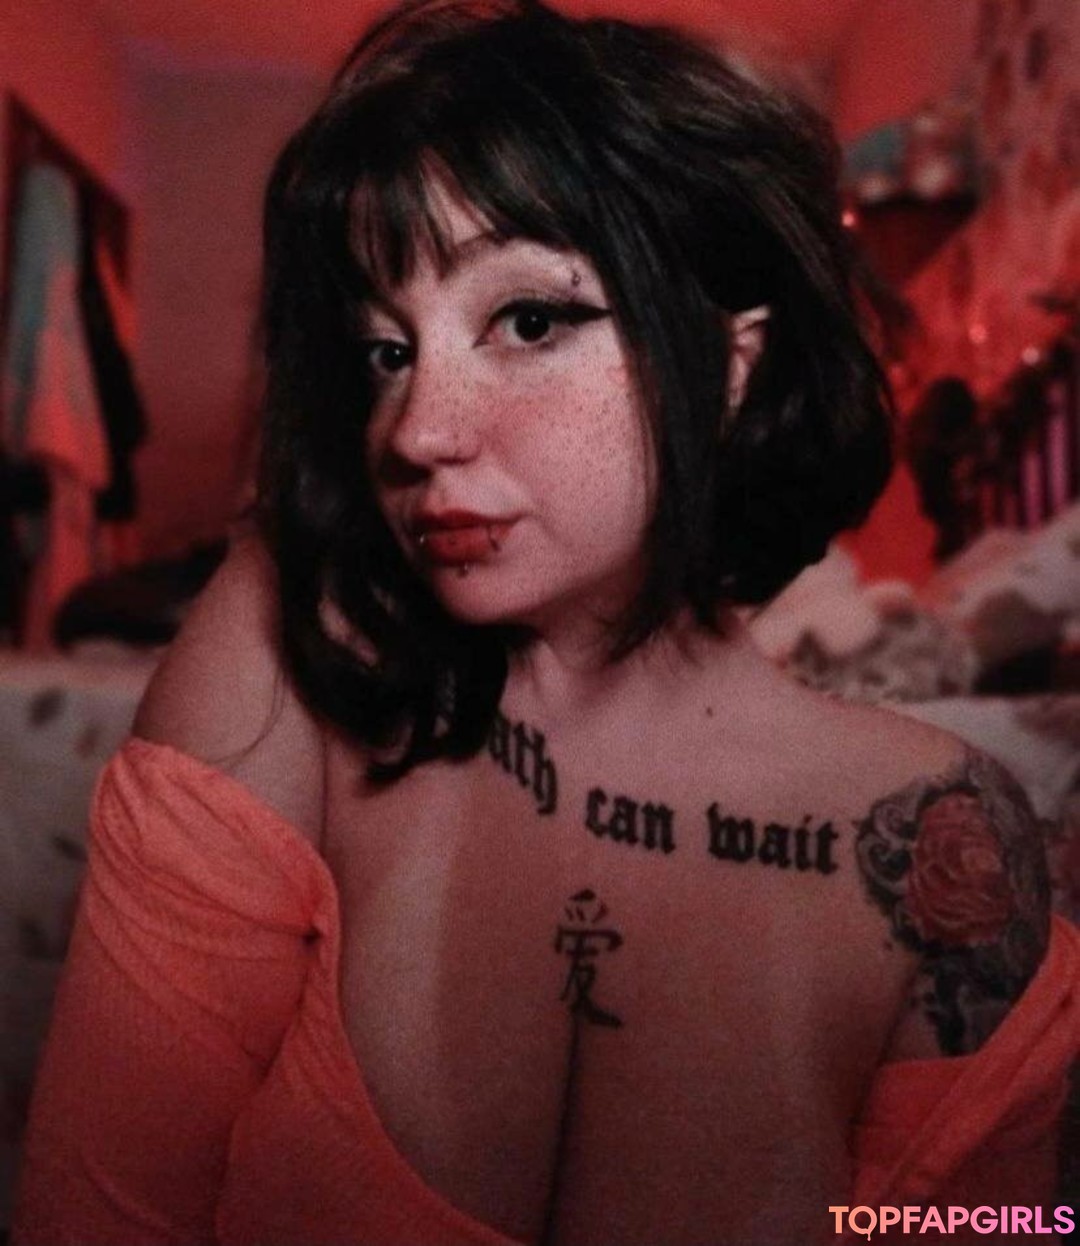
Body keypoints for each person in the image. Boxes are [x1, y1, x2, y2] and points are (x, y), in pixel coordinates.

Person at [13, 1, 1080, 1243]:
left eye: (528, 320)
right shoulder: (294, 655)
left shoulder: (943, 845)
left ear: (731, 367)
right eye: (385, 351)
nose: (418, 431)